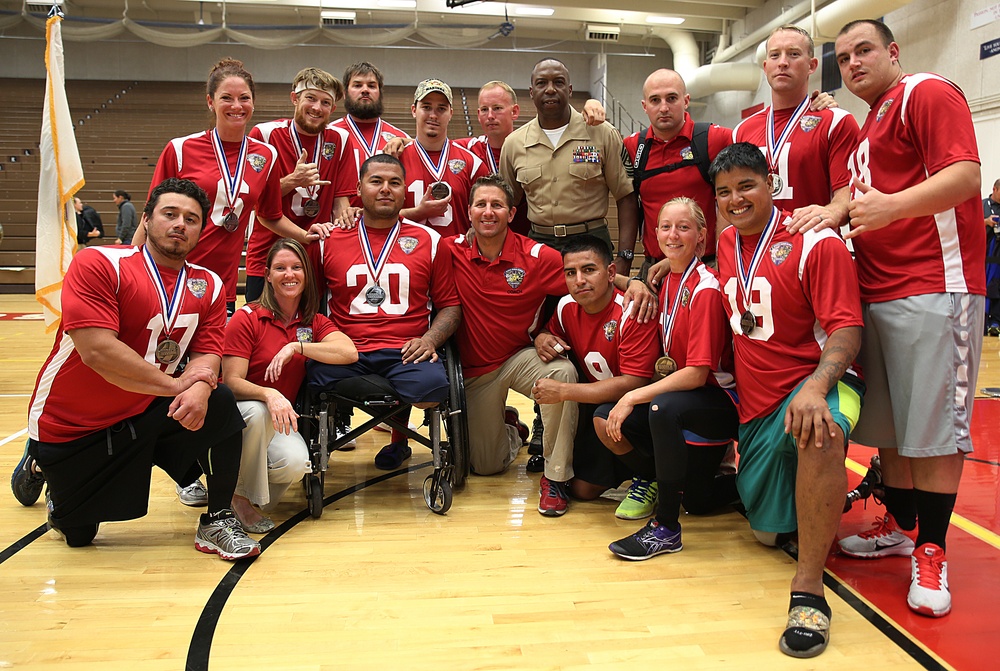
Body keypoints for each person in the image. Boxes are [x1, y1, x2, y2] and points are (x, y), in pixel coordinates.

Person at [18, 178, 259, 560]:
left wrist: (199, 385)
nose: (180, 224)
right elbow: (97, 352)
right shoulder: (99, 263)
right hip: (75, 423)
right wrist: (180, 384)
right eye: (170, 214)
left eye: (191, 219)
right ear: (146, 220)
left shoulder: (208, 284)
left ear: (201, 231)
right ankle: (40, 466)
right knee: (78, 535)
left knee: (219, 400)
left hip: (145, 407)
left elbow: (209, 350)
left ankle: (217, 519)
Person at [832, 19, 985, 620]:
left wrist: (892, 208)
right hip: (879, 291)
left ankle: (932, 549)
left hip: (935, 287)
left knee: (934, 432)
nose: (852, 64)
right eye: (843, 58)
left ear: (893, 52)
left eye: (863, 51)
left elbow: (966, 175)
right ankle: (898, 525)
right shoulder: (871, 120)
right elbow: (856, 192)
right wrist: (834, 207)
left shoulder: (926, 91)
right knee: (892, 430)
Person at [713, 143, 864, 658]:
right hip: (757, 407)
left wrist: (817, 386)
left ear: (771, 182)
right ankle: (817, 502)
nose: (735, 199)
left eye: (746, 186)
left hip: (819, 383)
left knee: (817, 431)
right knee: (764, 534)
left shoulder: (814, 240)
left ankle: (809, 593)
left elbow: (846, 327)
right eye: (725, 191)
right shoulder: (726, 241)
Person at [137, 58, 332, 316]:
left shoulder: (266, 156)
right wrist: (131, 269)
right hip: (168, 274)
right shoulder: (180, 149)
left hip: (220, 285)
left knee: (212, 355)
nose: (237, 106)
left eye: (244, 98)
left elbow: (270, 215)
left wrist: (305, 235)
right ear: (210, 101)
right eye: (227, 98)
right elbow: (149, 218)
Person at [308, 154, 461, 470]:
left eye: (394, 182)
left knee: (433, 388)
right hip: (346, 351)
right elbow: (309, 304)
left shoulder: (431, 241)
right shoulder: (327, 240)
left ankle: (398, 441)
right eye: (376, 181)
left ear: (405, 191)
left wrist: (431, 339)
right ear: (358, 188)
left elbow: (450, 306)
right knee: (306, 378)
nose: (385, 189)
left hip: (405, 350)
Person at [606, 197, 739, 558]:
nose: (673, 234)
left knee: (659, 408)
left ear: (701, 236)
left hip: (719, 399)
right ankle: (677, 484)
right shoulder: (665, 278)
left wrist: (635, 395)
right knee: (697, 500)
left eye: (683, 227)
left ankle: (665, 528)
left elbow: (697, 374)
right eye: (666, 227)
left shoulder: (705, 288)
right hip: (686, 397)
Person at [445, 174, 577, 513]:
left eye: (497, 205)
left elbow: (585, 288)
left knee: (561, 372)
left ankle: (556, 477)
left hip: (520, 356)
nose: (489, 212)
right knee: (486, 466)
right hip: (476, 371)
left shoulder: (538, 256)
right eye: (481, 205)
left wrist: (545, 330)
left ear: (511, 212)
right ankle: (512, 430)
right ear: (469, 210)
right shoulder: (448, 251)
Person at [223, 238, 358, 532]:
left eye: (297, 267)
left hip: (278, 416)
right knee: (258, 413)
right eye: (280, 268)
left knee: (297, 463)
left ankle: (225, 483)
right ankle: (237, 498)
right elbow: (230, 383)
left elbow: (349, 352)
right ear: (267, 275)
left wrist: (297, 347)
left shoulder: (313, 322)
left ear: (306, 275)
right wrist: (268, 393)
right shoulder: (247, 319)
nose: (289, 274)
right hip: (239, 418)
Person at [532, 235, 660, 515]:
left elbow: (636, 381)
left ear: (611, 273)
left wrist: (564, 392)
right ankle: (628, 467)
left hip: (644, 408)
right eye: (571, 273)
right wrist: (541, 337)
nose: (579, 280)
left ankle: (651, 476)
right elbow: (552, 332)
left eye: (589, 270)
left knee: (603, 418)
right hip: (601, 406)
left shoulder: (632, 309)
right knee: (582, 491)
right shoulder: (566, 307)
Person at [499, 58, 640, 271]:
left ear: (570, 89)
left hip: (591, 242)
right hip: (539, 245)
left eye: (558, 82)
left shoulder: (602, 133)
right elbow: (508, 203)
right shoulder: (514, 144)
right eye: (541, 83)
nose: (550, 89)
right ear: (531, 91)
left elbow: (626, 196)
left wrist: (625, 257)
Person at [734, 25, 859, 238]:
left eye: (793, 54)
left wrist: (833, 211)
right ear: (765, 67)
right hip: (756, 253)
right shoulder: (742, 131)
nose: (783, 62)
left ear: (812, 65)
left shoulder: (836, 121)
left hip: (813, 248)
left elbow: (848, 192)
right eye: (775, 55)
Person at [244, 67, 355, 302]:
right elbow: (252, 201)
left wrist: (346, 220)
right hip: (267, 254)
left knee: (309, 332)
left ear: (333, 109)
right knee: (263, 330)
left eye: (326, 102)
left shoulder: (341, 140)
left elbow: (340, 200)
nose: (317, 108)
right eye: (311, 98)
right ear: (295, 98)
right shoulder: (264, 135)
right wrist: (292, 181)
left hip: (315, 257)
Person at [624, 69, 732, 272]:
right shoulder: (633, 147)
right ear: (644, 106)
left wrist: (810, 106)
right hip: (653, 271)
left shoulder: (714, 139)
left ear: (686, 101)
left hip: (704, 267)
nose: (664, 107)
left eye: (671, 98)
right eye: (655, 100)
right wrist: (590, 109)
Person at [395, 78, 490, 239]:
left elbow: (487, 214)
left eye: (441, 109)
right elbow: (377, 217)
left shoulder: (472, 164)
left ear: (450, 113)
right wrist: (418, 213)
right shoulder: (395, 161)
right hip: (408, 258)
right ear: (413, 110)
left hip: (456, 258)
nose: (433, 115)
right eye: (426, 107)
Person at [333, 62, 410, 207]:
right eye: (357, 85)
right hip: (342, 224)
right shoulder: (331, 134)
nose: (365, 90)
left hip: (386, 224)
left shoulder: (399, 137)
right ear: (345, 93)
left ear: (380, 92)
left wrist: (408, 141)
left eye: (371, 86)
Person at [983, 179, 1000, 335]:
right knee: (986, 288)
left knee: (997, 289)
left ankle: (995, 323)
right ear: (994, 189)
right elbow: (971, 225)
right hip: (986, 255)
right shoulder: (983, 205)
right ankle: (982, 323)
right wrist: (986, 222)